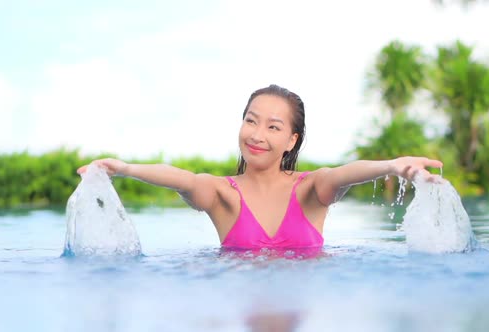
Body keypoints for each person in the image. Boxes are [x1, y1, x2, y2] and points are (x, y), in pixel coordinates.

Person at [78, 84, 442, 250]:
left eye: (273, 127)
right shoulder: (224, 195)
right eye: (251, 121)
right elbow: (184, 180)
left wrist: (395, 166)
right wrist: (123, 168)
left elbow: (345, 172)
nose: (257, 135)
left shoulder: (311, 189)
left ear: (292, 140)